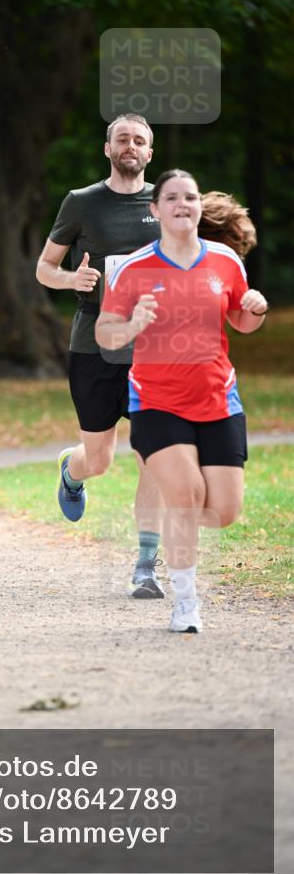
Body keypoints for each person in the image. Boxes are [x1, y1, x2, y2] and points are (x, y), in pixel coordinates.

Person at [96, 169, 268, 633]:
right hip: (157, 402)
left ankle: (177, 526)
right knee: (187, 494)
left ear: (199, 206)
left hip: (218, 399)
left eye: (189, 197)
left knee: (224, 512)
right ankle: (186, 603)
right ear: (155, 211)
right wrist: (131, 328)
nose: (182, 204)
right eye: (171, 198)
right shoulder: (134, 269)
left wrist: (255, 308)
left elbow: (240, 322)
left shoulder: (226, 261)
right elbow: (104, 332)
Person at [36, 114, 164, 599]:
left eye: (140, 141)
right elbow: (45, 268)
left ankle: (146, 565)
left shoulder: (165, 203)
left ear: (150, 153)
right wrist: (71, 279)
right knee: (100, 458)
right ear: (107, 148)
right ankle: (72, 470)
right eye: (122, 139)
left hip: (154, 349)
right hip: (95, 344)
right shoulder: (82, 204)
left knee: (151, 452)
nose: (130, 146)